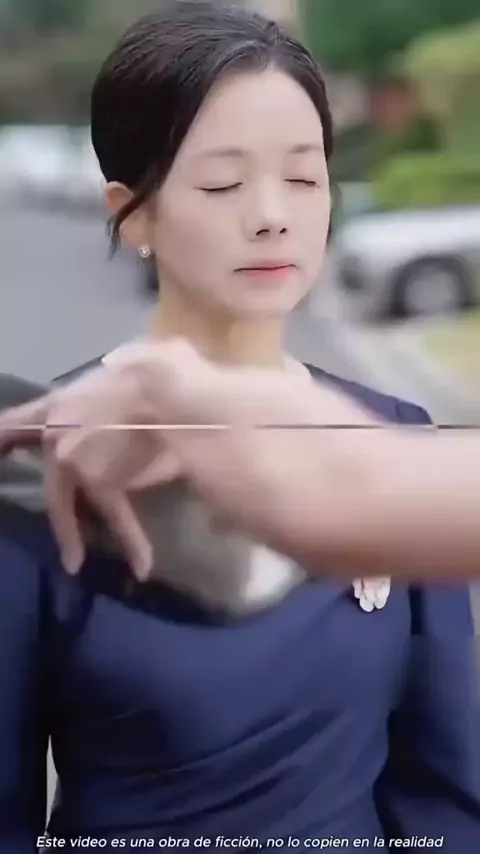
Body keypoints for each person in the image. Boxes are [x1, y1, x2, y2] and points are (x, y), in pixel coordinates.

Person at [1, 3, 480, 851]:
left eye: (303, 178)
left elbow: (446, 790)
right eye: (223, 184)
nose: (271, 215)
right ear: (132, 213)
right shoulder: (45, 464)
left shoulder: (396, 440)